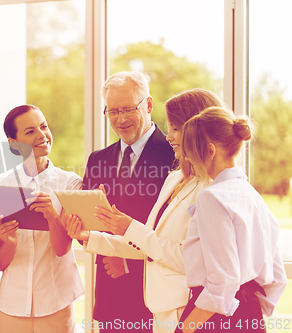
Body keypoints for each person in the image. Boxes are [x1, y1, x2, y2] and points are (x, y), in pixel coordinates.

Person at [66, 89, 224, 333]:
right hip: (156, 307)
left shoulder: (213, 189)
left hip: (183, 308)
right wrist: (90, 237)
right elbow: (150, 238)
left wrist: (128, 230)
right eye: (113, 111)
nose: (170, 136)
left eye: (175, 128)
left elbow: (194, 260)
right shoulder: (176, 178)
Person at [175, 107, 287, 333]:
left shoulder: (212, 197)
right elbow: (277, 275)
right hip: (250, 316)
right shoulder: (252, 195)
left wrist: (186, 328)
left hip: (214, 319)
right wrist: (250, 314)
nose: (187, 158)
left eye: (190, 151)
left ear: (210, 150)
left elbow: (223, 281)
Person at [81, 71, 174, 331]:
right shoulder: (97, 160)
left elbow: (175, 232)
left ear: (149, 105)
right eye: (112, 112)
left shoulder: (175, 155)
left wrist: (128, 261)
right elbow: (89, 226)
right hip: (110, 296)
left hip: (154, 296)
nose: (120, 120)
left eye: (128, 109)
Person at [0, 104, 84, 333]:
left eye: (43, 127)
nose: (42, 135)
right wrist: (9, 242)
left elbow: (62, 249)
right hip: (10, 306)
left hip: (55, 304)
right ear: (14, 143)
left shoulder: (69, 184)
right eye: (30, 131)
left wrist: (53, 217)